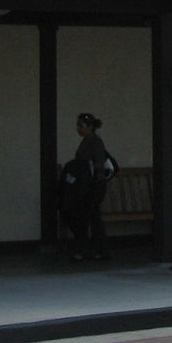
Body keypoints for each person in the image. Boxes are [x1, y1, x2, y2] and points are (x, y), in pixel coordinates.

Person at [60, 111, 115, 260]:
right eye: (78, 126)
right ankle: (96, 249)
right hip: (88, 184)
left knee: (88, 216)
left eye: (81, 126)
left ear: (90, 127)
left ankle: (91, 250)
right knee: (89, 217)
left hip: (92, 185)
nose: (78, 128)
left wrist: (93, 183)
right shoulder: (89, 141)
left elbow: (98, 164)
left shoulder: (94, 142)